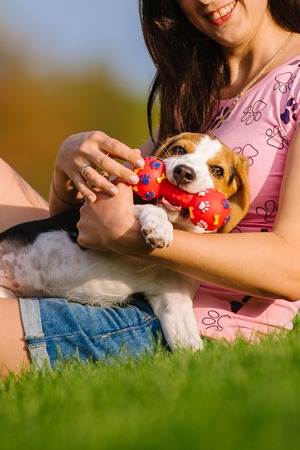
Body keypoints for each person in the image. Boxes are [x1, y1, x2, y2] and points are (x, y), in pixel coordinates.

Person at [1, 0, 300, 376]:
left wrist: (132, 237)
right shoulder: (199, 89)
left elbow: (294, 268)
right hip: (110, 280)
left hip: (180, 321)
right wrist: (67, 172)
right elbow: (81, 230)